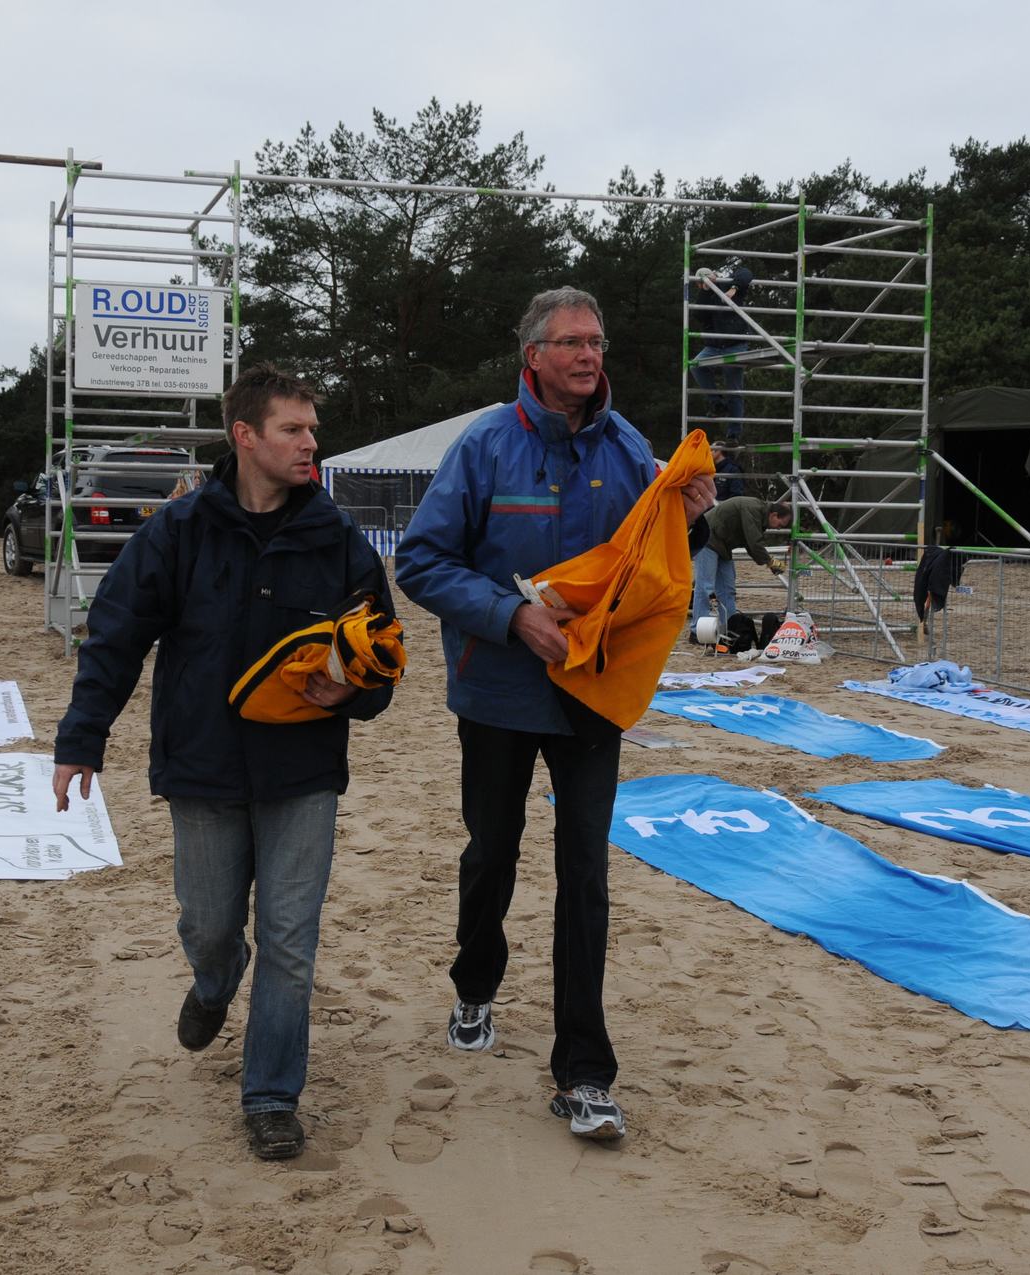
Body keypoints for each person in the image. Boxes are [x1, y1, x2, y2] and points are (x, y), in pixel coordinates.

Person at [51, 364, 395, 1162]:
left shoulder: (338, 540)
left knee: (289, 939)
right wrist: (81, 739)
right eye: (292, 429)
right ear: (245, 436)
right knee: (209, 926)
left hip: (302, 772)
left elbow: (381, 654)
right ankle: (215, 978)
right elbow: (115, 636)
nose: (310, 443)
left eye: (312, 429)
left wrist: (354, 690)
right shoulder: (177, 531)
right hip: (202, 765)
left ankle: (271, 1094)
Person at [396, 286, 716, 1142]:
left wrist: (688, 523)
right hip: (498, 694)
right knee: (491, 852)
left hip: (591, 695)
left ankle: (583, 1071)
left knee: (586, 874)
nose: (588, 355)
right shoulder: (483, 445)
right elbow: (421, 562)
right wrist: (510, 616)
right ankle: (475, 984)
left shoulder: (631, 447)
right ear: (532, 355)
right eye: (571, 342)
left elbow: (652, 569)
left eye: (597, 342)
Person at [692, 496, 792, 636]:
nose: (779, 528)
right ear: (774, 515)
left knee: (727, 589)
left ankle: (730, 628)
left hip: (722, 544)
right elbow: (753, 543)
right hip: (707, 539)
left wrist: (768, 561)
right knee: (705, 587)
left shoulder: (757, 513)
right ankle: (697, 631)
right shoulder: (753, 509)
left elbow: (750, 543)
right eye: (780, 525)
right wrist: (770, 561)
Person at [687, 258, 755, 444]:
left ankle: (734, 433)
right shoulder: (704, 296)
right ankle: (716, 402)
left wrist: (733, 288)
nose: (705, 283)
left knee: (734, 389)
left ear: (714, 275)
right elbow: (699, 315)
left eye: (708, 278)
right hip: (714, 346)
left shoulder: (728, 283)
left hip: (735, 344)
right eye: (701, 282)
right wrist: (706, 291)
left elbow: (746, 273)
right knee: (695, 366)